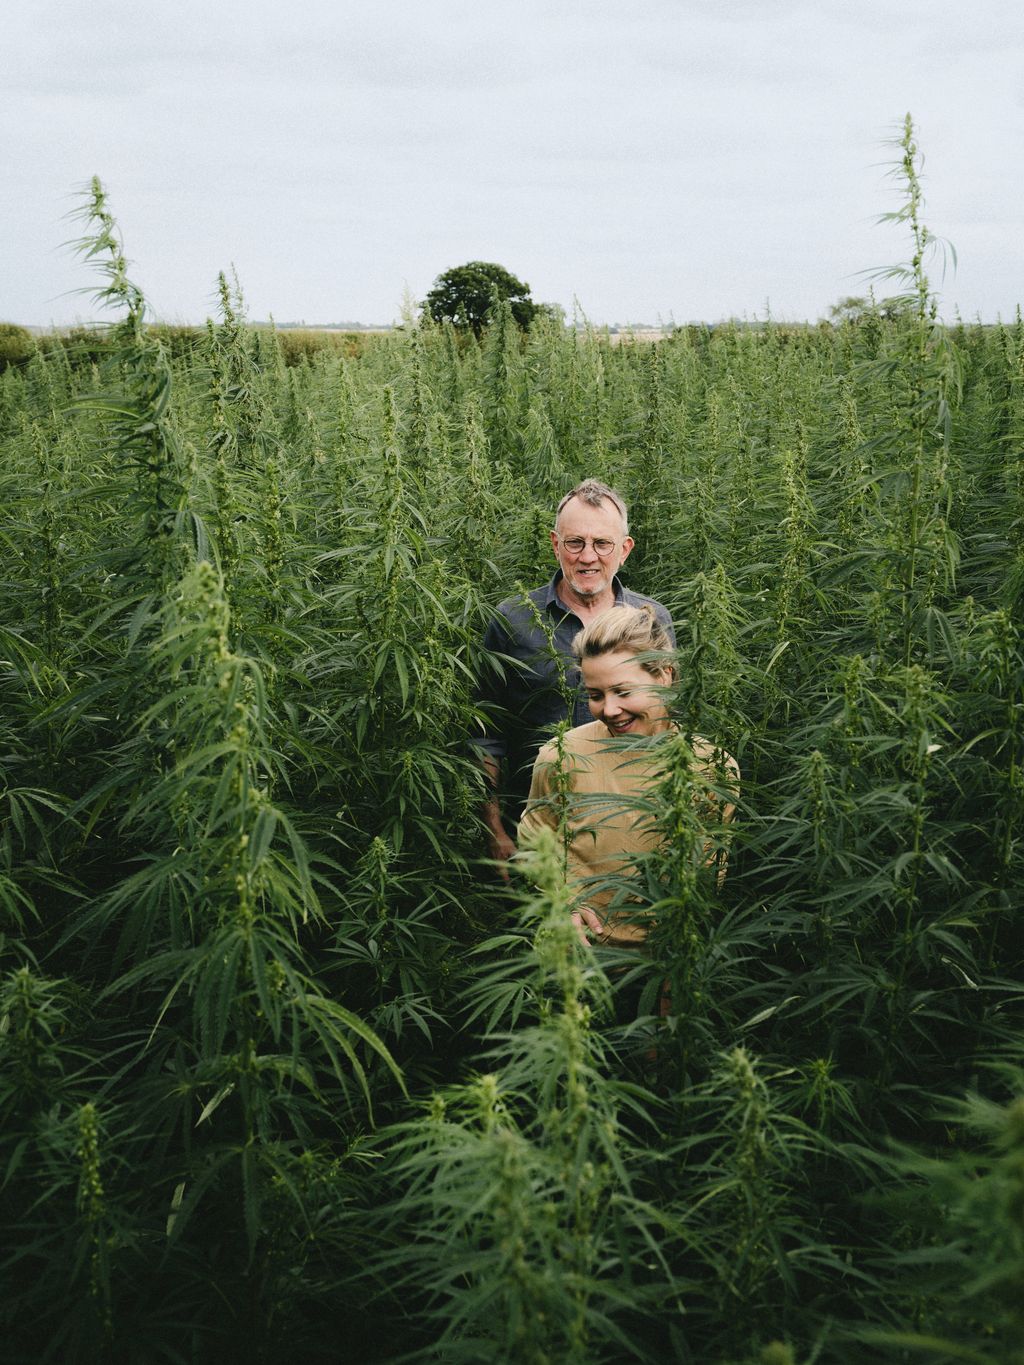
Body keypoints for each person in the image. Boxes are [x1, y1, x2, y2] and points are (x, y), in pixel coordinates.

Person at [474, 480, 674, 876]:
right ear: (555, 544)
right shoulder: (512, 621)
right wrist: (493, 828)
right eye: (575, 543)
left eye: (602, 544)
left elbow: (666, 724)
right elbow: (486, 733)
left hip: (629, 828)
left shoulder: (651, 620)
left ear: (625, 550)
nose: (588, 557)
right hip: (537, 828)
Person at [517, 605, 738, 948]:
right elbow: (534, 841)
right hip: (580, 954)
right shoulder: (561, 755)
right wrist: (561, 900)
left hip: (668, 956)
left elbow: (707, 876)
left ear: (664, 676)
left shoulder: (713, 767)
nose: (609, 710)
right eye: (595, 695)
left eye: (623, 692)